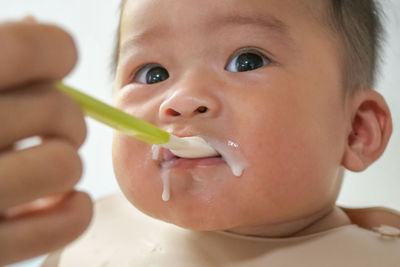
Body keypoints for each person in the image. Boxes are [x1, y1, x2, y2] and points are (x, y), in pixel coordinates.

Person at [1, 0, 400, 266]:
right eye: (152, 73)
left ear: (355, 132)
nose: (182, 99)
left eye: (247, 61)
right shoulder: (79, 227)